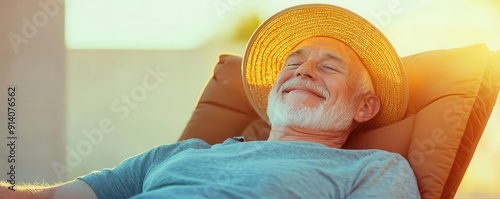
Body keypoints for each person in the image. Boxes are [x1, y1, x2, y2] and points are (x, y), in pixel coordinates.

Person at [1, 4, 420, 199]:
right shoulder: (180, 155)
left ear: (364, 108)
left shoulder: (375, 168)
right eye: (293, 63)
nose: (303, 71)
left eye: (329, 68)